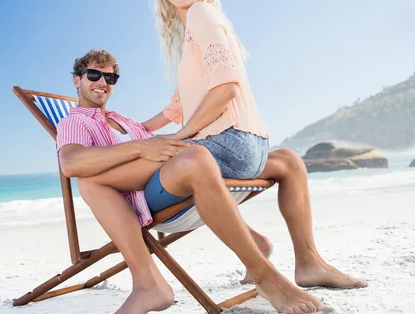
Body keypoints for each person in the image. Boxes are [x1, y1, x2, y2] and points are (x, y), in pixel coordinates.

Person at [142, 0, 368, 289]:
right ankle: (309, 263)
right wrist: (139, 129)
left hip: (226, 143)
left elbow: (226, 90)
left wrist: (184, 134)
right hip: (253, 146)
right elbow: (177, 106)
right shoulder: (199, 27)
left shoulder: (202, 15)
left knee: (141, 167)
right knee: (289, 161)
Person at [57, 48, 325, 314]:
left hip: (186, 181)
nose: (102, 83)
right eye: (93, 75)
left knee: (287, 160)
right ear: (77, 80)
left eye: (110, 78)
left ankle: (308, 261)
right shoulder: (75, 121)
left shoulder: (121, 120)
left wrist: (176, 121)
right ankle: (264, 275)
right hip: (149, 199)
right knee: (196, 157)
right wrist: (139, 148)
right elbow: (71, 163)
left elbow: (156, 135)